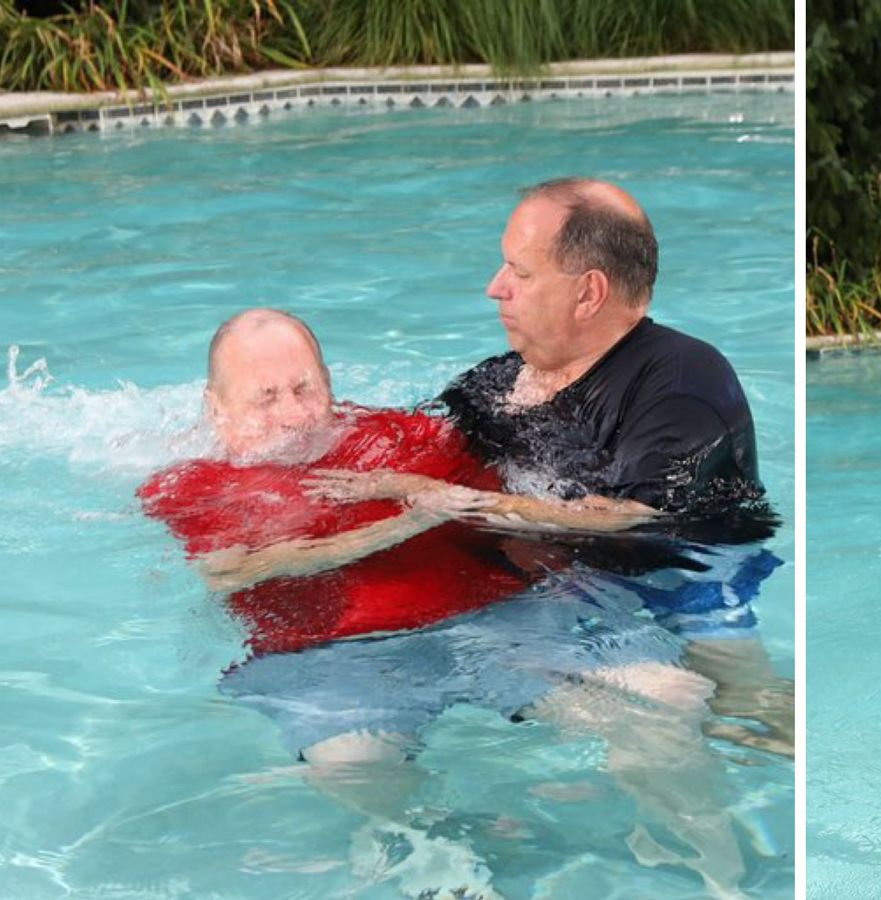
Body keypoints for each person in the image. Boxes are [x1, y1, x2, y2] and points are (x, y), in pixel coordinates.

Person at [140, 308, 750, 898]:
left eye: (305, 390)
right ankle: (426, 852)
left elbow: (529, 503)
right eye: (265, 399)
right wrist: (400, 524)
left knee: (668, 695)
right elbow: (233, 572)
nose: (294, 416)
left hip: (499, 623)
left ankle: (714, 868)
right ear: (215, 410)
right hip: (332, 658)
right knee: (352, 764)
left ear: (331, 386)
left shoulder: (407, 438)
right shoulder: (190, 484)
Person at [311, 176, 794, 757]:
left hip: (685, 577)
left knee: (745, 710)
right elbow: (415, 446)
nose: (495, 289)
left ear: (589, 293)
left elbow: (626, 520)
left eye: (520, 272)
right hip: (560, 582)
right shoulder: (497, 380)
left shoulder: (681, 380)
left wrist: (443, 499)